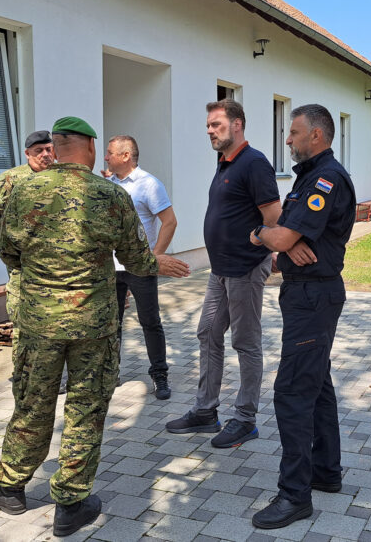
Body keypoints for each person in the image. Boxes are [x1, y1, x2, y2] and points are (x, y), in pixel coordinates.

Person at [0, 117, 190, 537]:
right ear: (91, 148)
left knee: (33, 403)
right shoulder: (110, 194)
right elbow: (135, 258)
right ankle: (70, 505)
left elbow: (7, 248)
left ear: (55, 149)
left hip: (39, 322)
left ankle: (10, 488)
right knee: (86, 410)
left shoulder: (23, 191)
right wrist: (157, 262)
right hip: (93, 324)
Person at [247, 104, 356, 529]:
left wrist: (261, 234)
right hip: (307, 294)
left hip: (313, 297)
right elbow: (286, 241)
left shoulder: (325, 179)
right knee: (317, 385)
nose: (288, 139)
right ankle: (325, 471)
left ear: (317, 135)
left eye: (293, 132)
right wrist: (281, 242)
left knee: (292, 391)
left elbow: (281, 235)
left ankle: (294, 496)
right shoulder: (309, 177)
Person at [165, 99, 281, 449]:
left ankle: (245, 419)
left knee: (245, 342)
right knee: (208, 332)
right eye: (208, 126)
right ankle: (205, 411)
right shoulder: (225, 162)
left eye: (216, 124)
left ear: (237, 124)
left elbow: (274, 216)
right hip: (220, 271)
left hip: (245, 268)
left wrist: (266, 249)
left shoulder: (254, 163)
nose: (209, 131)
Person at [103, 135, 178, 400]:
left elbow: (170, 222)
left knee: (150, 322)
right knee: (111, 324)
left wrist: (154, 258)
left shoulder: (149, 184)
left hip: (140, 267)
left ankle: (159, 374)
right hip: (110, 267)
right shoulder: (108, 184)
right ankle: (110, 374)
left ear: (125, 156)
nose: (105, 157)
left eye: (110, 152)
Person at [0, 130, 55, 323]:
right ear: (27, 154)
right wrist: (5, 245)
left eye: (49, 149)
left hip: (60, 268)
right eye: (39, 150)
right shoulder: (12, 178)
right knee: (24, 321)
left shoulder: (63, 176)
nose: (45, 154)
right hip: (25, 267)